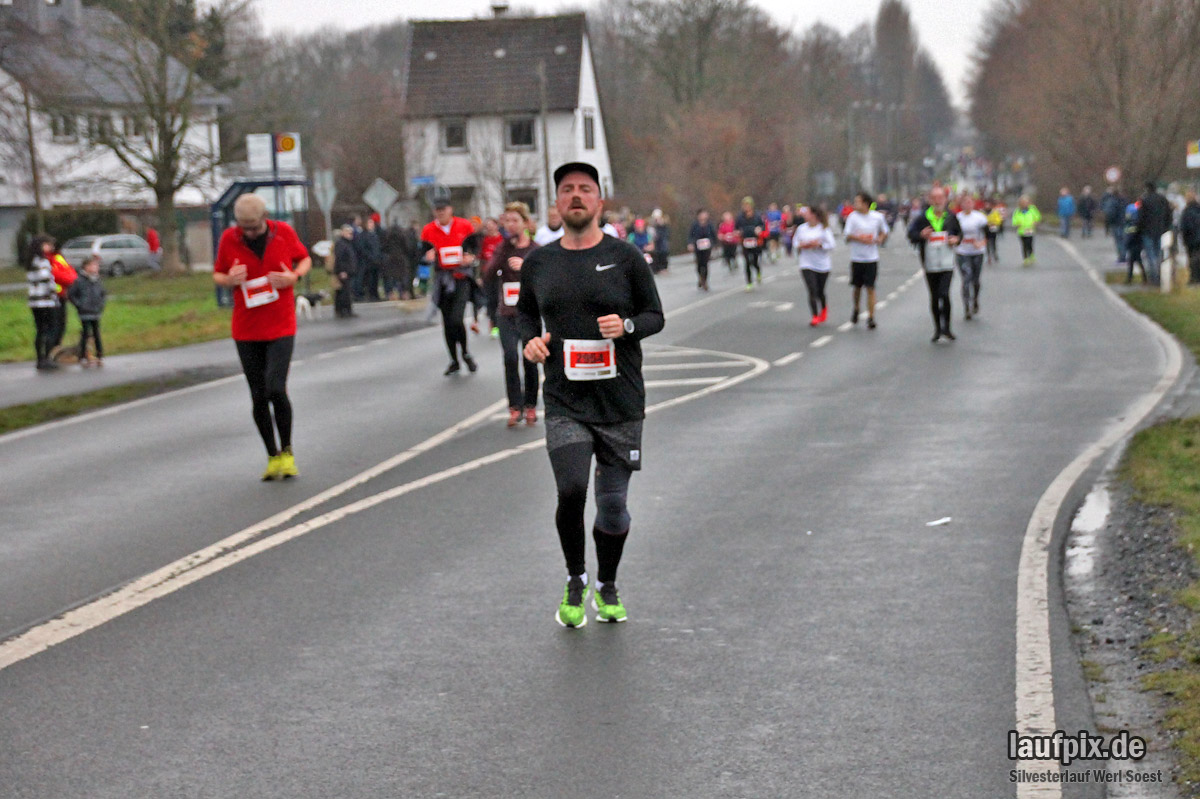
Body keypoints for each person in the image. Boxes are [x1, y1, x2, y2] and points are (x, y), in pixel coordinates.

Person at [518, 161, 664, 628]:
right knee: (572, 488)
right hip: (565, 399)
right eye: (567, 190)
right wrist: (531, 341)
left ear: (599, 201)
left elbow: (655, 315)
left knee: (614, 505)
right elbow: (524, 315)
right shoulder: (540, 262)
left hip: (620, 400)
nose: (576, 196)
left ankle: (608, 584)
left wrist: (626, 327)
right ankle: (576, 578)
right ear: (557, 204)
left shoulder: (625, 257)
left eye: (585, 189)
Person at [212, 193, 312, 480]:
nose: (250, 233)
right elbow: (217, 275)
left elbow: (304, 259)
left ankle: (288, 451)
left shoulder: (284, 233)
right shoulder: (230, 239)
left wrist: (294, 277)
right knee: (257, 395)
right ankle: (272, 456)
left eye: (254, 228)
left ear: (265, 219)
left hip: (280, 324)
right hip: (246, 328)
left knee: (276, 388)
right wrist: (229, 280)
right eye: (245, 228)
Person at [486, 202, 541, 427]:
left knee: (530, 359)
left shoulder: (535, 250)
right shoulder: (503, 247)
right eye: (506, 221)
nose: (510, 225)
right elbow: (488, 274)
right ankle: (514, 406)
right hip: (506, 312)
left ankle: (530, 405)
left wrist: (526, 266)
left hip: (529, 313)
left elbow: (544, 278)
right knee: (510, 357)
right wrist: (502, 251)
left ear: (525, 223)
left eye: (514, 220)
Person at [421, 193, 480, 376]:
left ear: (450, 210)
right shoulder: (428, 230)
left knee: (457, 318)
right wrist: (427, 257)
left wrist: (470, 257)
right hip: (442, 279)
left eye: (443, 209)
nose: (440, 213)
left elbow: (474, 248)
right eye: (437, 210)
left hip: (461, 277)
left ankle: (466, 353)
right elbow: (421, 254)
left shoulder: (464, 226)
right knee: (447, 322)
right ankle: (454, 359)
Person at [908, 186, 963, 342]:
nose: (938, 201)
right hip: (930, 263)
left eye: (941, 198)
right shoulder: (922, 218)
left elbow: (960, 233)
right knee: (934, 296)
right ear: (930, 200)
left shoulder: (951, 217)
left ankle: (947, 328)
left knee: (944, 294)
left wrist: (956, 239)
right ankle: (938, 329)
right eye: (935, 198)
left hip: (947, 263)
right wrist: (920, 235)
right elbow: (910, 234)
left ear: (945, 200)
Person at [843, 191, 888, 329]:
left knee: (870, 288)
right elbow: (847, 235)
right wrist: (860, 238)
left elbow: (884, 231)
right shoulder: (852, 217)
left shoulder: (877, 217)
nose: (855, 204)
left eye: (858, 202)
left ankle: (871, 316)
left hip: (871, 258)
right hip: (857, 258)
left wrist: (880, 238)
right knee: (857, 287)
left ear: (865, 203)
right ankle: (856, 308)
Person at [793, 204, 836, 326]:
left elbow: (831, 245)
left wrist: (819, 245)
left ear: (814, 215)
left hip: (822, 265)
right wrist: (802, 245)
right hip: (806, 263)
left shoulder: (823, 229)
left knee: (820, 291)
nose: (805, 215)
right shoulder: (802, 228)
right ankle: (815, 316)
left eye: (808, 213)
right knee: (812, 289)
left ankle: (823, 308)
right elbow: (795, 242)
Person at [26, 235, 60, 371]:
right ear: (41, 245)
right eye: (47, 244)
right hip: (45, 300)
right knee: (51, 329)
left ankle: (40, 359)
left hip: (34, 301)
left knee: (40, 330)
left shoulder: (30, 261)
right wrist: (55, 290)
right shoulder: (42, 261)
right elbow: (47, 280)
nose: (50, 247)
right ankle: (46, 357)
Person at [68, 254, 106, 366]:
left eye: (97, 266)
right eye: (93, 265)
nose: (96, 268)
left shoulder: (97, 280)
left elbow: (103, 294)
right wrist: (79, 305)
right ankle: (83, 355)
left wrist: (100, 305)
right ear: (86, 267)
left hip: (96, 311)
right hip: (85, 312)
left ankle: (100, 354)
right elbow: (71, 294)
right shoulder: (79, 281)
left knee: (96, 333)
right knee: (85, 333)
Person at [956, 195, 988, 320]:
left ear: (973, 204)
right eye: (965, 203)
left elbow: (987, 234)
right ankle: (966, 307)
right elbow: (952, 233)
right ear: (962, 205)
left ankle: (975, 299)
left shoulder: (980, 218)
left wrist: (981, 243)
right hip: (962, 252)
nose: (967, 205)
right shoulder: (958, 218)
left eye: (970, 203)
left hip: (977, 252)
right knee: (966, 278)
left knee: (975, 280)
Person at [1139, 182, 1172, 285]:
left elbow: (1141, 217)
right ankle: (1159, 276)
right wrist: (1166, 227)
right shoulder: (1163, 199)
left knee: (1150, 255)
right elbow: (1168, 214)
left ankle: (1154, 277)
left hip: (1148, 232)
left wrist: (1140, 229)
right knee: (1158, 254)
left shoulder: (1144, 200)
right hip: (1161, 230)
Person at [47, 243, 77, 355]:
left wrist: (72, 278)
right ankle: (50, 351)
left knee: (61, 325)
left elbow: (70, 272)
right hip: (53, 297)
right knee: (54, 326)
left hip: (62, 296)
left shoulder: (58, 258)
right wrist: (71, 278)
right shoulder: (47, 259)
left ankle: (57, 349)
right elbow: (57, 274)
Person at [735, 196, 765, 291]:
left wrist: (759, 229)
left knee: (755, 261)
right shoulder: (740, 217)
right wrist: (737, 232)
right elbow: (736, 228)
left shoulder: (757, 215)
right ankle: (749, 282)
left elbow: (763, 225)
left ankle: (758, 271)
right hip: (745, 241)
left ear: (751, 206)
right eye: (744, 205)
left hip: (755, 242)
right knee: (747, 262)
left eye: (748, 205)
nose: (746, 207)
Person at [687, 208, 717, 291]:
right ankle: (700, 277)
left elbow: (713, 235)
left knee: (706, 263)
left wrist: (714, 244)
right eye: (702, 214)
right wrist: (690, 244)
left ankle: (705, 281)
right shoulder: (695, 225)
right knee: (699, 264)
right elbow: (690, 235)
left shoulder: (709, 224)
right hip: (698, 247)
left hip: (707, 247)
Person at [332, 224, 358, 317]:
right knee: (343, 292)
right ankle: (343, 310)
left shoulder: (348, 243)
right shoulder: (340, 244)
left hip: (348, 271)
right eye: (348, 232)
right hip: (343, 271)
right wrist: (342, 271)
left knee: (345, 291)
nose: (350, 234)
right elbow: (339, 258)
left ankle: (344, 309)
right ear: (343, 232)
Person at [1012, 195, 1041, 266]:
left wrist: (1036, 222)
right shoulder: (1017, 211)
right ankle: (1025, 258)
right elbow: (1014, 219)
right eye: (1023, 202)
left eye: (1026, 202)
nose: (1025, 204)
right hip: (1021, 231)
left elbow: (1037, 216)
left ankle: (1031, 254)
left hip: (1030, 229)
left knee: (1029, 243)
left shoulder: (1032, 209)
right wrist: (1017, 224)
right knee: (1024, 244)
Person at [1101, 186, 1126, 264]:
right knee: (1123, 240)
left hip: (1116, 223)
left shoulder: (1112, 201)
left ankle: (1121, 257)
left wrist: (1109, 223)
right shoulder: (1124, 200)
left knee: (1118, 241)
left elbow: (1110, 213)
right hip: (1123, 222)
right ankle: (1124, 255)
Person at [1179, 191, 1200, 285]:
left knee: (1192, 259)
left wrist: (1184, 239)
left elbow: (1184, 227)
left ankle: (1194, 279)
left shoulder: (1186, 211)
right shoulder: (1198, 209)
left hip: (1191, 239)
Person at [1124, 202, 1146, 284]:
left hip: (1134, 245)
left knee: (1133, 262)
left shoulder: (1133, 225)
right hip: (1137, 245)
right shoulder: (1136, 223)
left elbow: (1130, 236)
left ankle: (1130, 278)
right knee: (1136, 262)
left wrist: (1126, 244)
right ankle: (1142, 278)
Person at [649, 209, 671, 274]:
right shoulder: (653, 226)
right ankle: (658, 268)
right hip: (656, 245)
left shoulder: (664, 225)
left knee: (663, 255)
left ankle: (664, 268)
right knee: (656, 256)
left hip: (663, 245)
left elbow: (666, 234)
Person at [985, 200, 1004, 265]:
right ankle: (989, 256)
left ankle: (995, 253)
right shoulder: (982, 212)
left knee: (993, 242)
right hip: (986, 230)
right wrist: (987, 224)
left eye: (988, 205)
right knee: (987, 243)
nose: (987, 206)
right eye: (986, 205)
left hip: (993, 229)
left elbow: (999, 220)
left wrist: (994, 223)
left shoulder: (995, 212)